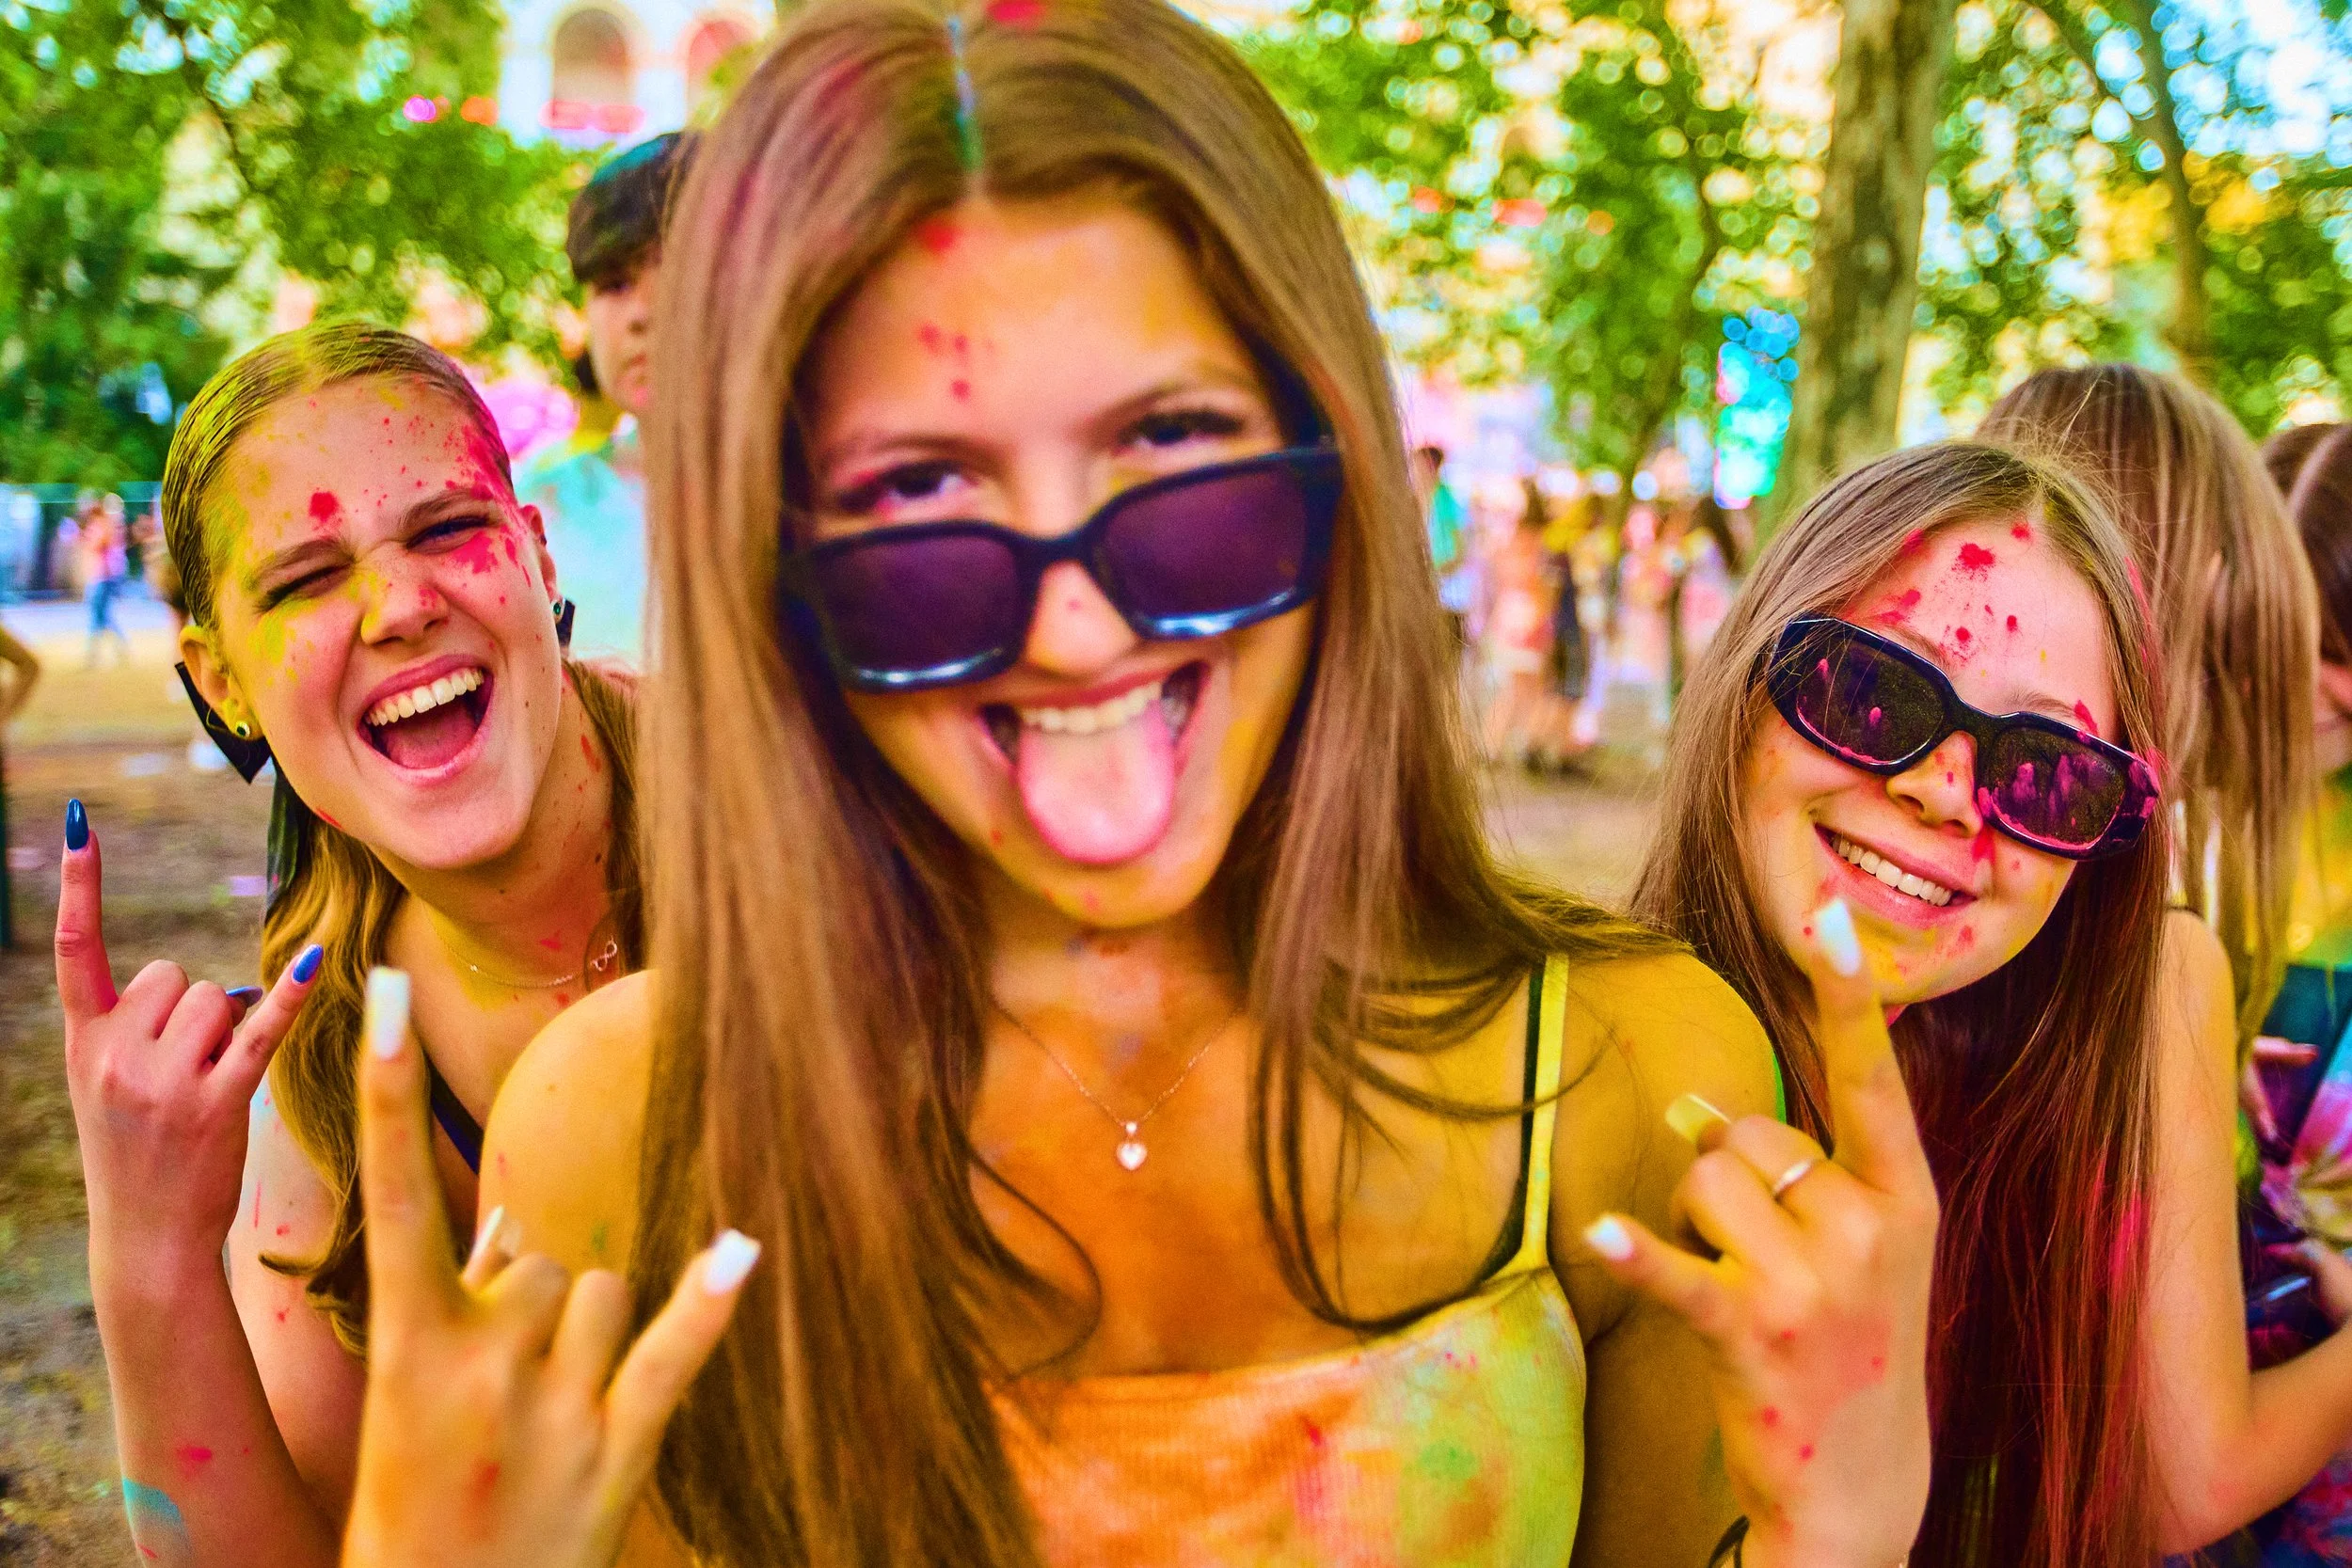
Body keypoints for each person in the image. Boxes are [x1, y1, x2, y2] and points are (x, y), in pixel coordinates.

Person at [450, 4, 1937, 1565]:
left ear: (1337, 457)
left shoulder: (1638, 1074)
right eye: (920, 487)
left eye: (1168, 444)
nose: (1075, 621)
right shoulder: (623, 1133)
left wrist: (1841, 1526)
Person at [1633, 436, 2352, 1563]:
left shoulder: (2036, 1128)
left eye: (2043, 771)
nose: (1944, 794)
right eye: (1870, 690)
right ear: (1745, 669)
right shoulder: (1575, 1078)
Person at [55, 323, 643, 1567]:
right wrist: (147, 1246)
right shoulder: (333, 1086)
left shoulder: (801, 822)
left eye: (443, 531)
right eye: (305, 579)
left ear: (534, 554)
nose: (400, 604)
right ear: (221, 681)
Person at [516, 133, 696, 667]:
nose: (642, 314)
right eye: (614, 284)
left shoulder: (826, 504)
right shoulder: (533, 516)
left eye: (679, 274)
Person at [84, 490, 133, 667]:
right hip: (100, 576)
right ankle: (101, 650)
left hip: (102, 576)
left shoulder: (103, 525)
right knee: (101, 615)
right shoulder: (103, 525)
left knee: (100, 615)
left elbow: (98, 544)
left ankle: (94, 652)